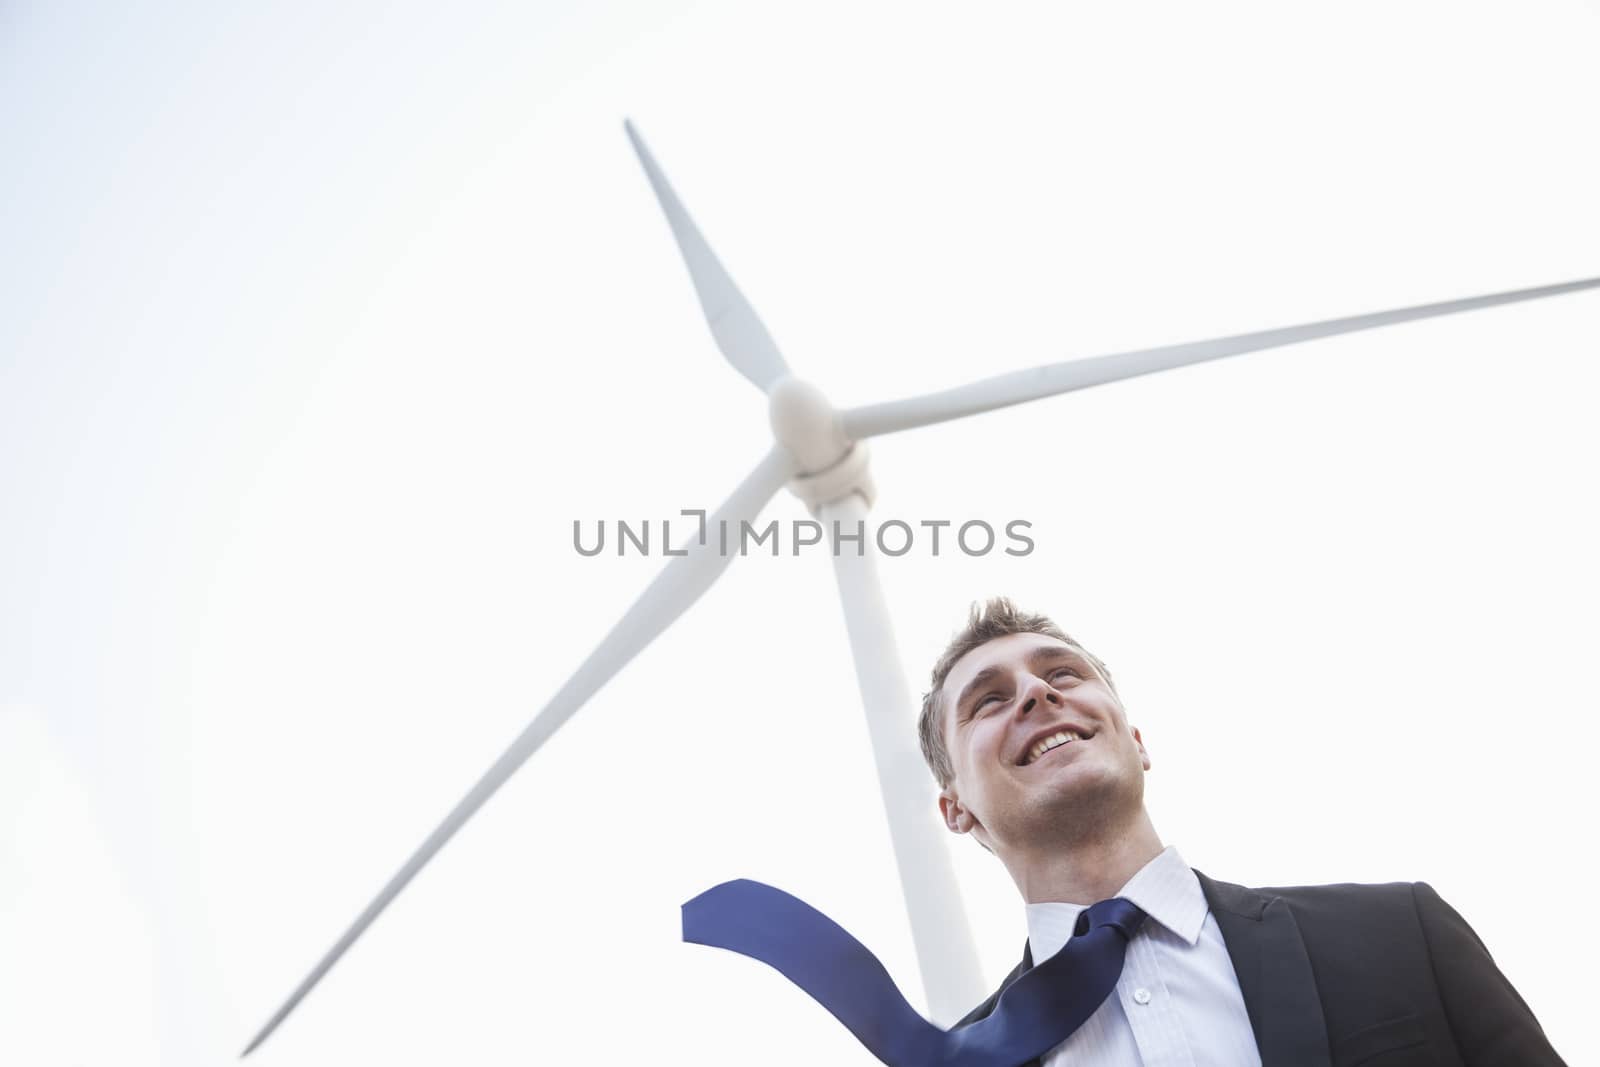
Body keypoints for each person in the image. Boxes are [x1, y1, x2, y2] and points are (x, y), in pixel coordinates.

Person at [918, 597, 1565, 1067]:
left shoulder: (1401, 932)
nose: (1036, 691)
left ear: (1136, 741)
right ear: (955, 809)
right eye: (990, 700)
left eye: (1063, 674)